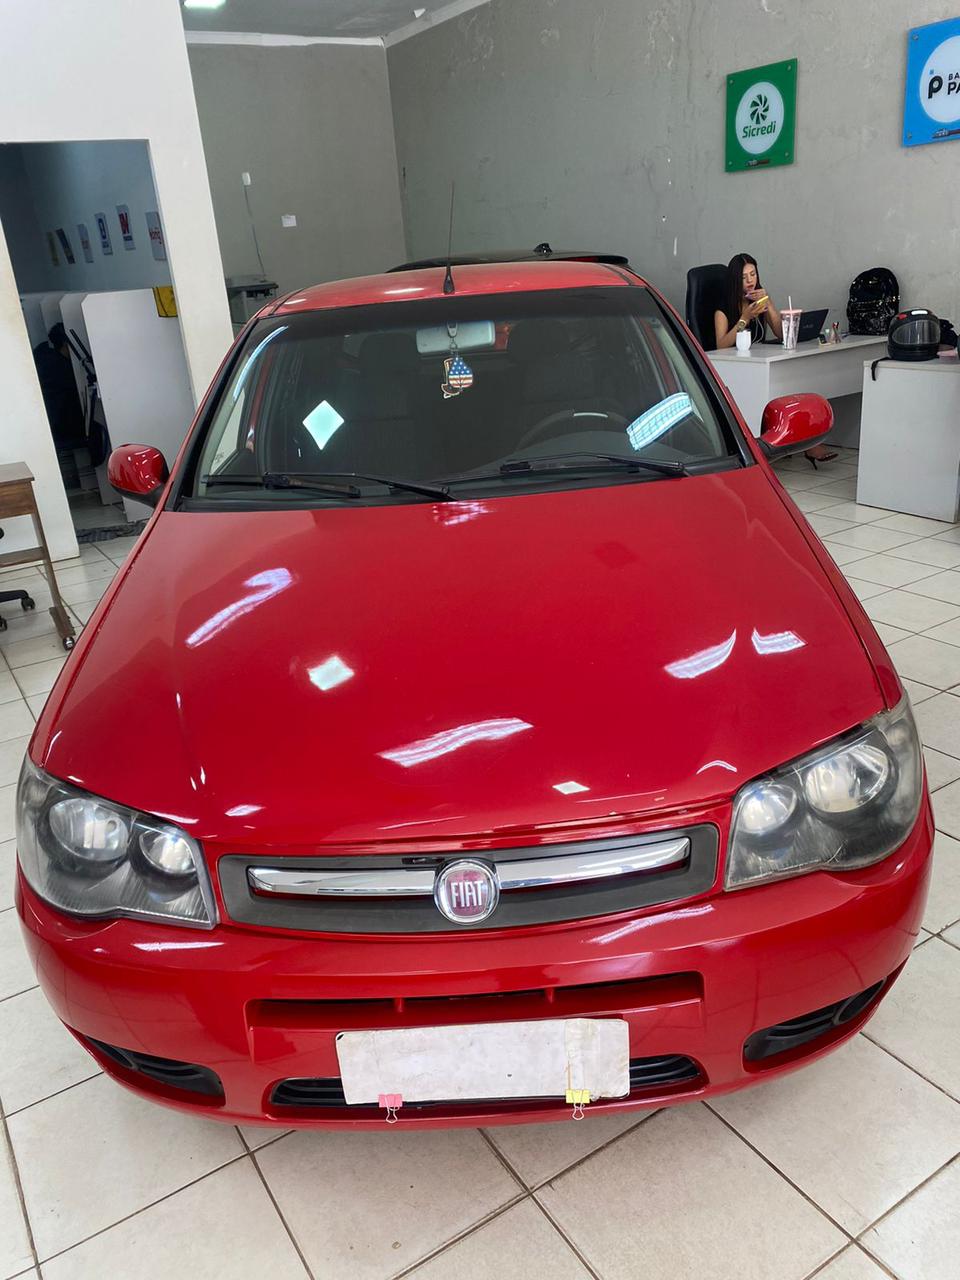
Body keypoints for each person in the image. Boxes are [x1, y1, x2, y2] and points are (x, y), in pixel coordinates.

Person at [714, 253, 837, 466]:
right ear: (735, 280)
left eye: (753, 274)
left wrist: (769, 303)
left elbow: (781, 333)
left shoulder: (758, 302)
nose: (750, 280)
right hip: (736, 368)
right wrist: (745, 318)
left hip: (759, 363)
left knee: (790, 381)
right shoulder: (723, 308)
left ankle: (806, 442)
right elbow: (721, 344)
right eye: (744, 277)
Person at [32, 322, 85, 452]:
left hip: (49, 426)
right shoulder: (62, 370)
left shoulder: (44, 357)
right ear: (66, 344)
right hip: (61, 427)